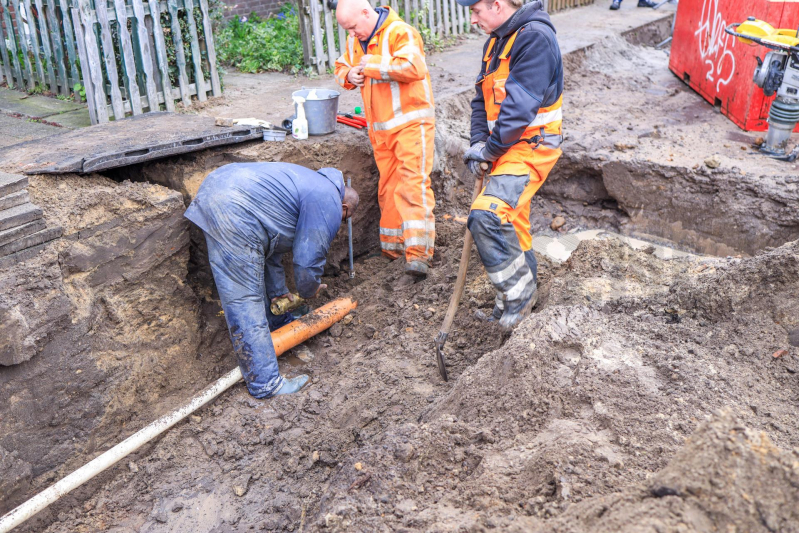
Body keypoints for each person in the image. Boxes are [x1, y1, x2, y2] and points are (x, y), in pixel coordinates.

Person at [184, 163, 360, 399]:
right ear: (345, 208)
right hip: (233, 208)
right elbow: (308, 261)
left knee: (258, 266)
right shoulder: (328, 200)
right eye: (344, 218)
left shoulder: (306, 183)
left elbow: (272, 246)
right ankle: (266, 383)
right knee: (245, 298)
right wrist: (309, 289)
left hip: (221, 186)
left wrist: (279, 293)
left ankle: (277, 321)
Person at [456, 0, 563, 329]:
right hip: (505, 146)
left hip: (531, 146)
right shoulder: (496, 41)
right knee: (512, 224)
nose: (472, 20)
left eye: (476, 11)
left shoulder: (534, 39)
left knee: (486, 215)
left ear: (497, 4)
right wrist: (478, 143)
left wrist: (489, 151)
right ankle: (513, 302)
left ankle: (519, 296)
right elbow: (480, 99)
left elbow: (519, 109)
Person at [334, 0, 436, 285]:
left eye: (354, 27)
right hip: (381, 131)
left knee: (413, 184)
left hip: (410, 125)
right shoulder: (357, 37)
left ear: (367, 13)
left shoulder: (400, 32)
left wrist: (372, 64)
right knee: (389, 187)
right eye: (347, 30)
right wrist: (349, 75)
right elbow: (343, 64)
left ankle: (418, 255)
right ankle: (393, 251)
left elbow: (413, 66)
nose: (352, 34)